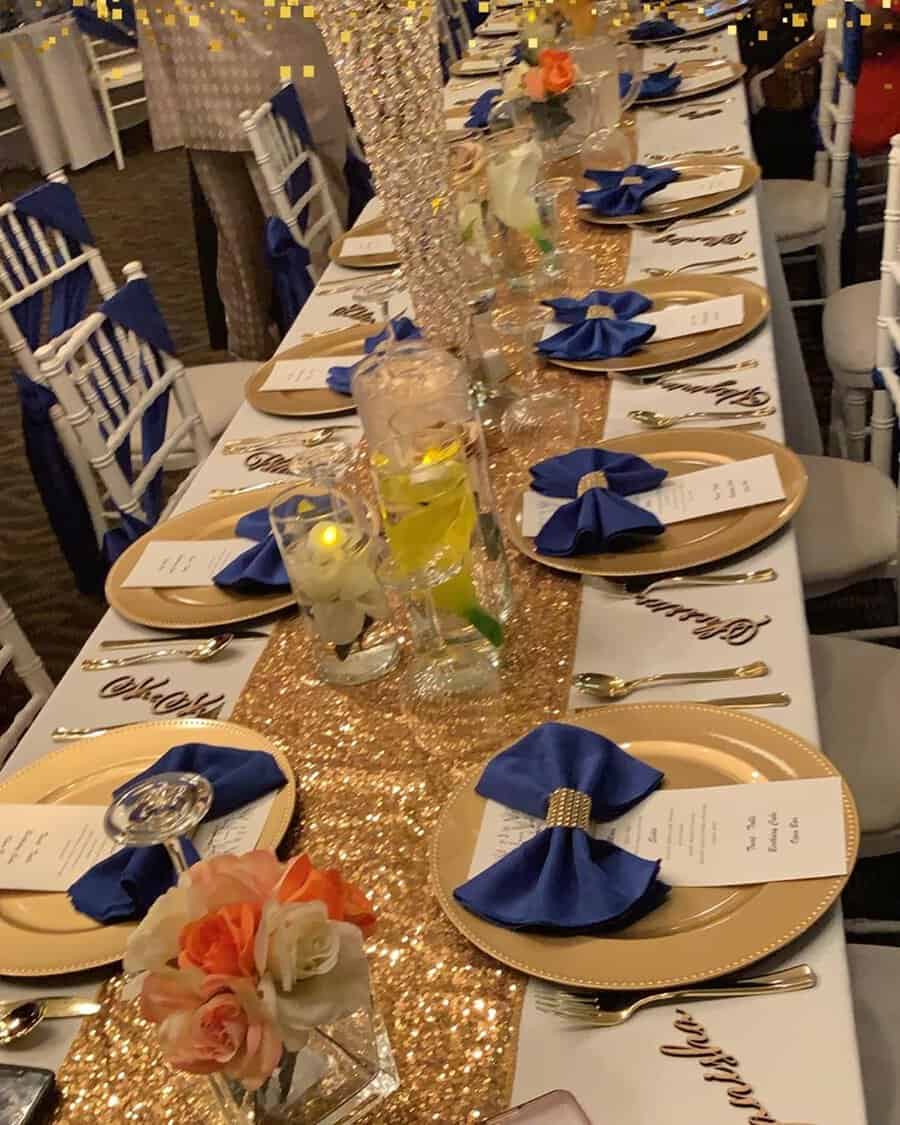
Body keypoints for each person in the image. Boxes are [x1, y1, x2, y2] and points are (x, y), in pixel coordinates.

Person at [136, 8, 349, 360]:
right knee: (302, 229)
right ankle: (329, 341)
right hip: (266, 69)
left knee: (248, 242)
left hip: (200, 82)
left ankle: (263, 353)